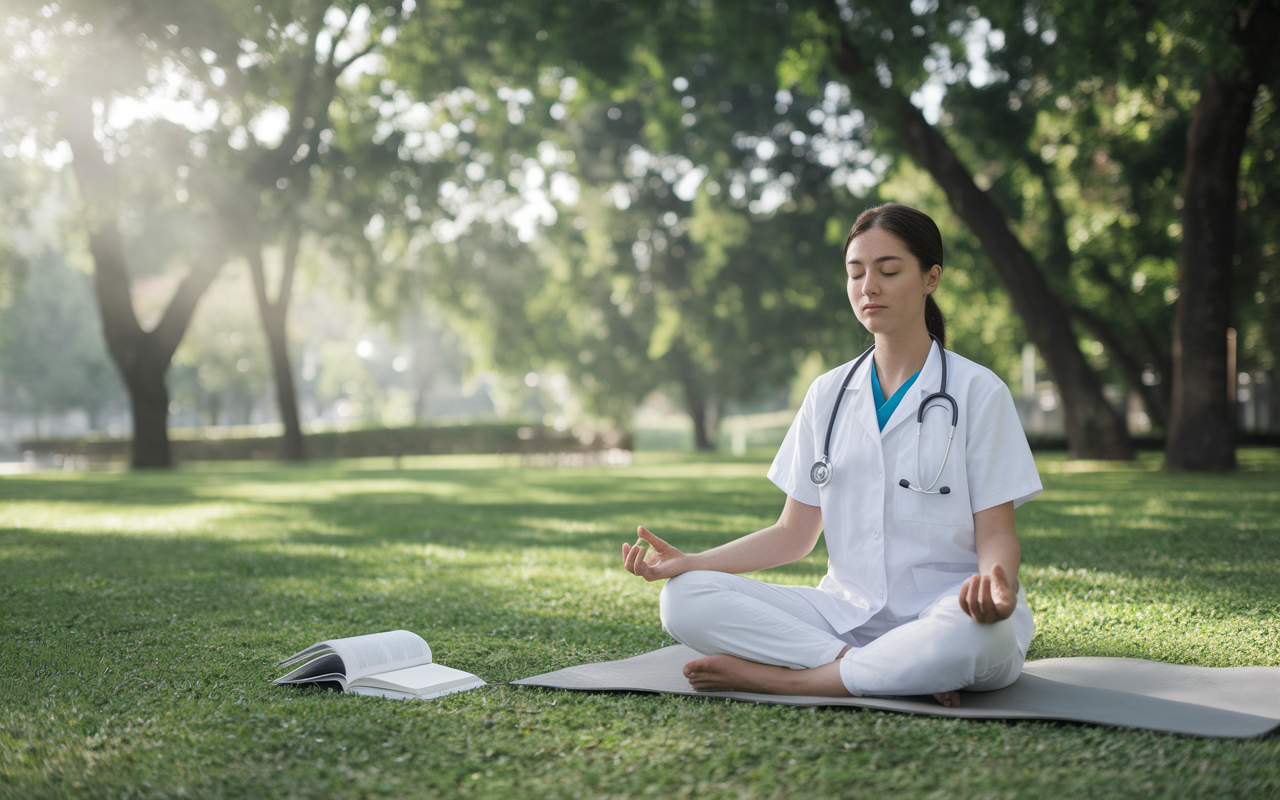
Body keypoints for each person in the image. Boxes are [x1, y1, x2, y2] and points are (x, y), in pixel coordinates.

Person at [621, 203, 1041, 707]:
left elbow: (996, 534)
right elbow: (793, 536)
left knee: (984, 636)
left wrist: (998, 590)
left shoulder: (978, 392)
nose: (869, 287)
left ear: (931, 278)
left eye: (888, 271)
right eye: (856, 272)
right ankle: (874, 669)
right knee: (684, 600)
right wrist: (693, 562)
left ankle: (791, 680)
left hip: (946, 610)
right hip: (845, 615)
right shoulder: (828, 394)